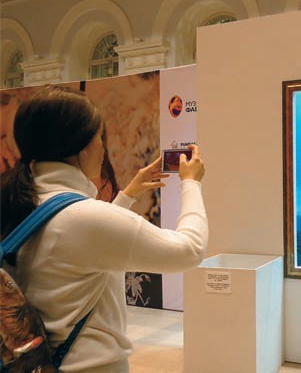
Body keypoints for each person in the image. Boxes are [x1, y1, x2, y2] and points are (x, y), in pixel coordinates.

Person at [0, 86, 208, 372]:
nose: (103, 148)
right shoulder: (85, 218)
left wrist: (127, 196)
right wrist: (192, 183)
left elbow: (83, 249)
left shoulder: (18, 202)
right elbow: (189, 250)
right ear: (82, 146)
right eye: (100, 137)